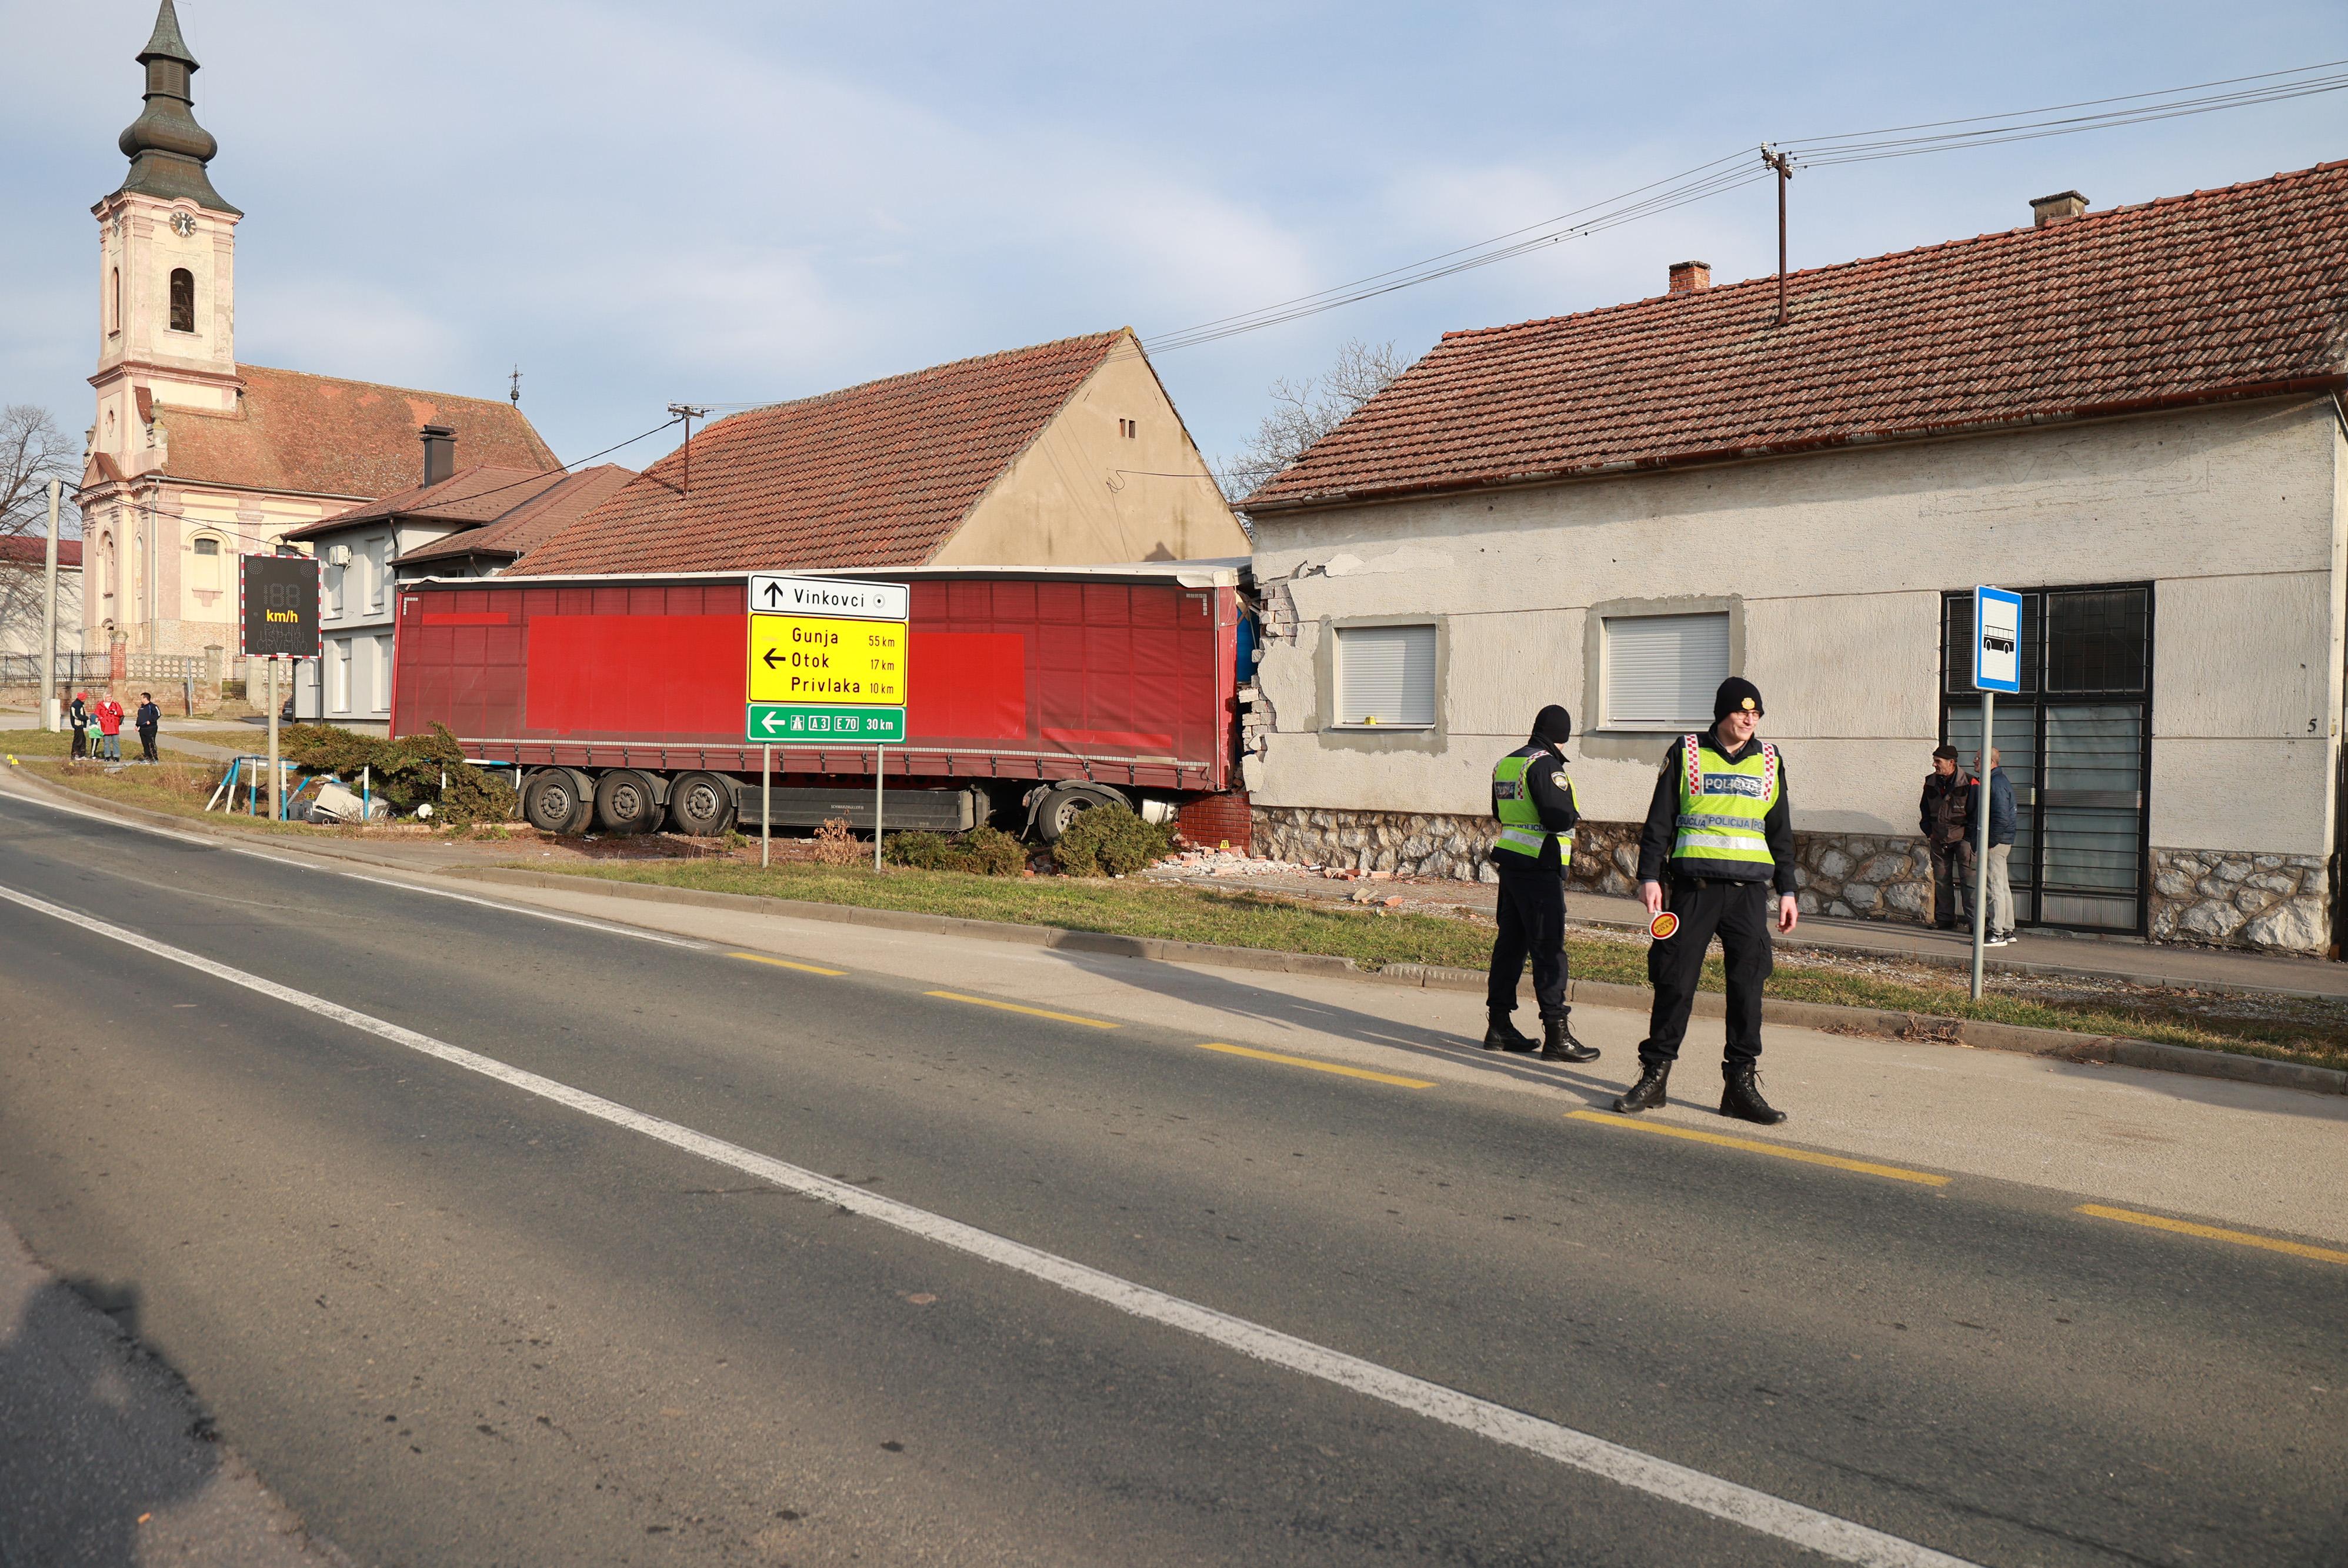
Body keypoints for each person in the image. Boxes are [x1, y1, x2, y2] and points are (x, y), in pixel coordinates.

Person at [1614, 676, 1798, 1125]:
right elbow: (1660, 819)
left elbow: (1780, 830)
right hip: (1693, 891)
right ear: (1722, 713)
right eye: (1741, 712)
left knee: (1747, 989)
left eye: (1755, 714)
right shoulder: (1687, 752)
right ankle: (1655, 1077)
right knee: (1674, 982)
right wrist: (1649, 876)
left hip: (1748, 897)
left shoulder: (1770, 759)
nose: (1749, 720)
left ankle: (1739, 1086)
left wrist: (1789, 889)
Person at [1482, 704, 1600, 1063]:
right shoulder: (1546, 765)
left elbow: (1500, 813)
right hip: (1540, 867)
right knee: (1549, 950)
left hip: (1513, 865)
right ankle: (1556, 1035)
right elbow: (1557, 815)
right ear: (1562, 736)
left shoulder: (1508, 763)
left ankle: (1499, 1026)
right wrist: (1571, 811)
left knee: (1511, 947)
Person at [1919, 744, 1976, 930]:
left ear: (1951, 762)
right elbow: (1925, 810)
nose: (1934, 765)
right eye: (1934, 761)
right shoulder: (1930, 782)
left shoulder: (1971, 782)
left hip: (1963, 840)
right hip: (1939, 838)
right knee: (1942, 881)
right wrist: (1929, 831)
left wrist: (1969, 838)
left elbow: (1978, 813)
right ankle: (1945, 920)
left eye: (1938, 761)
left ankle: (1975, 924)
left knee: (1969, 882)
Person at [1979, 748, 2016, 945]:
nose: (1975, 762)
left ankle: (1997, 932)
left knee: (1993, 888)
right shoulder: (1999, 781)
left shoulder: (1995, 783)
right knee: (2002, 887)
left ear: (1990, 761)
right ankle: (2008, 930)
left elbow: (2001, 817)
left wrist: (1989, 842)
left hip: (1996, 842)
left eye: (1978, 759)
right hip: (2002, 841)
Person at [92, 693, 125, 762]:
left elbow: (121, 713)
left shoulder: (116, 704)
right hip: (105, 726)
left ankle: (116, 756)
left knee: (115, 741)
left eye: (110, 697)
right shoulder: (100, 705)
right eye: (108, 697)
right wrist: (101, 718)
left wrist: (115, 712)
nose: (109, 698)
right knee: (106, 742)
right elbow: (96, 713)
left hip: (114, 725)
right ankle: (107, 756)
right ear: (104, 698)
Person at [135, 692, 162, 764]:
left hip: (151, 728)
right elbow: (139, 717)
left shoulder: (153, 706)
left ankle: (155, 759)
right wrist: (137, 725)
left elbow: (158, 714)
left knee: (151, 743)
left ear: (145, 698)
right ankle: (148, 758)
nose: (140, 700)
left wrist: (151, 721)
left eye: (141, 698)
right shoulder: (142, 707)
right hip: (142, 729)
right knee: (145, 744)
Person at [67, 692, 89, 760]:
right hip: (78, 724)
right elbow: (76, 715)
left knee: (83, 739)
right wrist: (86, 718)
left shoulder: (79, 704)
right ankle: (75, 754)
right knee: (78, 740)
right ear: (82, 699)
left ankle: (82, 754)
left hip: (80, 724)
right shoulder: (77, 705)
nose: (85, 700)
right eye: (85, 698)